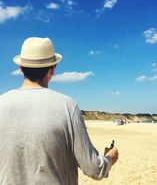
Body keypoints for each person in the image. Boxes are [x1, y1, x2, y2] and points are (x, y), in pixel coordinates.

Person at [0, 37, 119, 185]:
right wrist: (109, 158)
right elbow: (93, 168)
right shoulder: (68, 106)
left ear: (21, 68)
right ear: (53, 69)